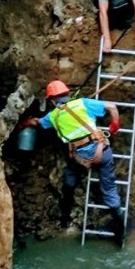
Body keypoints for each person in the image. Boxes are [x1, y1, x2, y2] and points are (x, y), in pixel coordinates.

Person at [22, 80, 125, 245]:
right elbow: (112, 107)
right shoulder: (83, 103)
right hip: (102, 152)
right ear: (68, 94)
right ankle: (120, 234)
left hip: (81, 158)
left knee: (70, 179)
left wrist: (25, 122)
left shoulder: (53, 116)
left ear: (52, 101)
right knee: (110, 191)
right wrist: (114, 126)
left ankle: (65, 216)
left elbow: (37, 123)